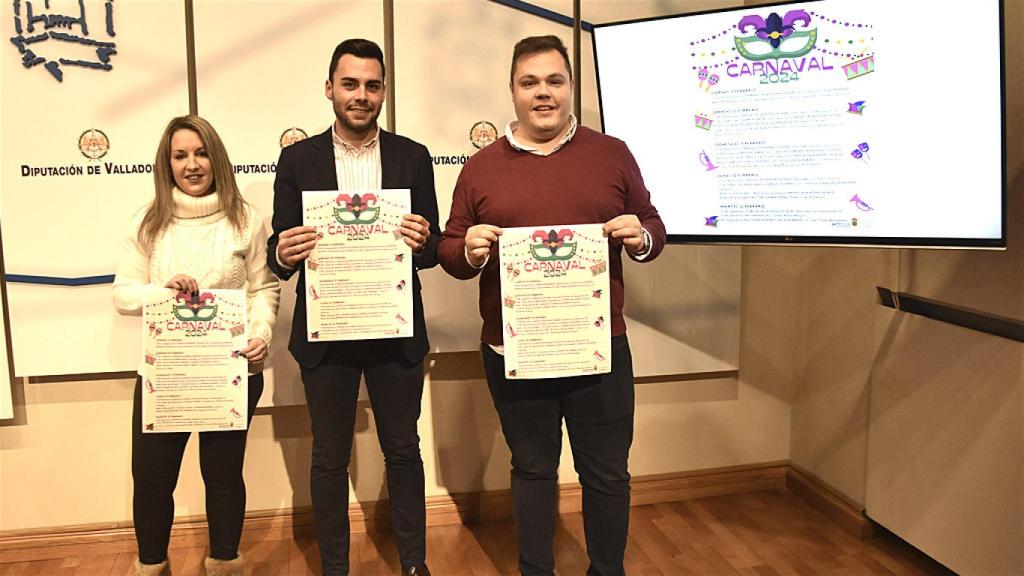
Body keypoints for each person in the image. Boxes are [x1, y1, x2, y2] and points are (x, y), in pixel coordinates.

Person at [438, 35, 666, 576]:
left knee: (607, 473)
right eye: (530, 83)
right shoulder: (481, 167)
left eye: (554, 81)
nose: (544, 94)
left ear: (570, 88)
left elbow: (652, 225)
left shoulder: (612, 153)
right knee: (533, 469)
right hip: (515, 348)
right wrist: (468, 252)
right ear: (512, 92)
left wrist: (641, 239)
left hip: (598, 345)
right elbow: (449, 247)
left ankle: (606, 570)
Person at [266, 38, 439, 576]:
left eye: (371, 85)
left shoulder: (413, 156)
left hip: (394, 328)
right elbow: (280, 250)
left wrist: (422, 239)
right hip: (327, 331)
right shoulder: (297, 160)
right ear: (329, 89)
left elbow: (432, 251)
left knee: (404, 451)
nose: (360, 95)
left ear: (383, 90)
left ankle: (414, 564)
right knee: (328, 457)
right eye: (350, 84)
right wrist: (282, 250)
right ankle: (334, 569)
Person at [112, 115, 281, 576]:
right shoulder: (148, 222)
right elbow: (123, 294)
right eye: (180, 155)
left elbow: (263, 289)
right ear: (167, 164)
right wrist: (163, 292)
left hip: (231, 373)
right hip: (165, 374)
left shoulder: (246, 220)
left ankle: (224, 562)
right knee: (151, 479)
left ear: (217, 158)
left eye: (201, 153)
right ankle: (151, 566)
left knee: (223, 477)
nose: (192, 164)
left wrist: (259, 335)